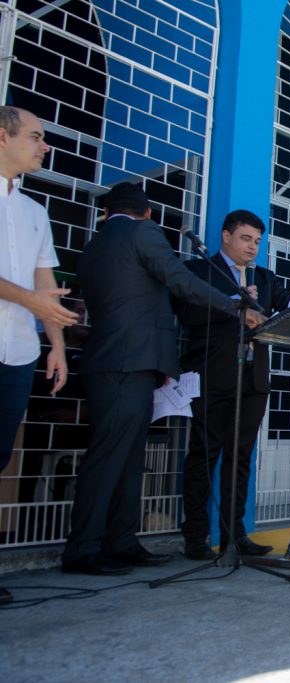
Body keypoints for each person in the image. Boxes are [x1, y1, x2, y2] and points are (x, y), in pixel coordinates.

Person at [63, 182, 263, 575]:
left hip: (121, 361)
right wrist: (235, 306)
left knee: (127, 457)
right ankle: (83, 548)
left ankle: (122, 542)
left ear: (106, 213)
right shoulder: (143, 233)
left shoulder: (94, 244)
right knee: (109, 457)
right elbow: (180, 282)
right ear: (148, 213)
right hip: (127, 360)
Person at [176, 210, 290, 560]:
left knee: (240, 458)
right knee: (204, 454)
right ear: (225, 236)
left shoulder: (266, 278)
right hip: (213, 374)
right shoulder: (198, 271)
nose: (252, 247)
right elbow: (187, 313)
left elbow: (288, 308)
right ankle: (196, 535)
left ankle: (234, 534)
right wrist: (233, 306)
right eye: (245, 239)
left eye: (257, 241)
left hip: (254, 379)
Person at [0, 106, 75, 604]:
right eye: (35, 136)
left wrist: (58, 347)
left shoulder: (34, 212)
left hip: (19, 351)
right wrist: (27, 299)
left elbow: (45, 286)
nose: (44, 146)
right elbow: (32, 294)